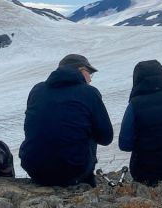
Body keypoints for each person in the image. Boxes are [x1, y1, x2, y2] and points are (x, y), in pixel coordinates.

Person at [20, 54, 113, 187]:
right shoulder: (89, 93)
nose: (90, 79)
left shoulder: (37, 90)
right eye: (89, 73)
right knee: (87, 129)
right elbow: (106, 137)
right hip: (72, 171)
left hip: (34, 169)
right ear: (80, 70)